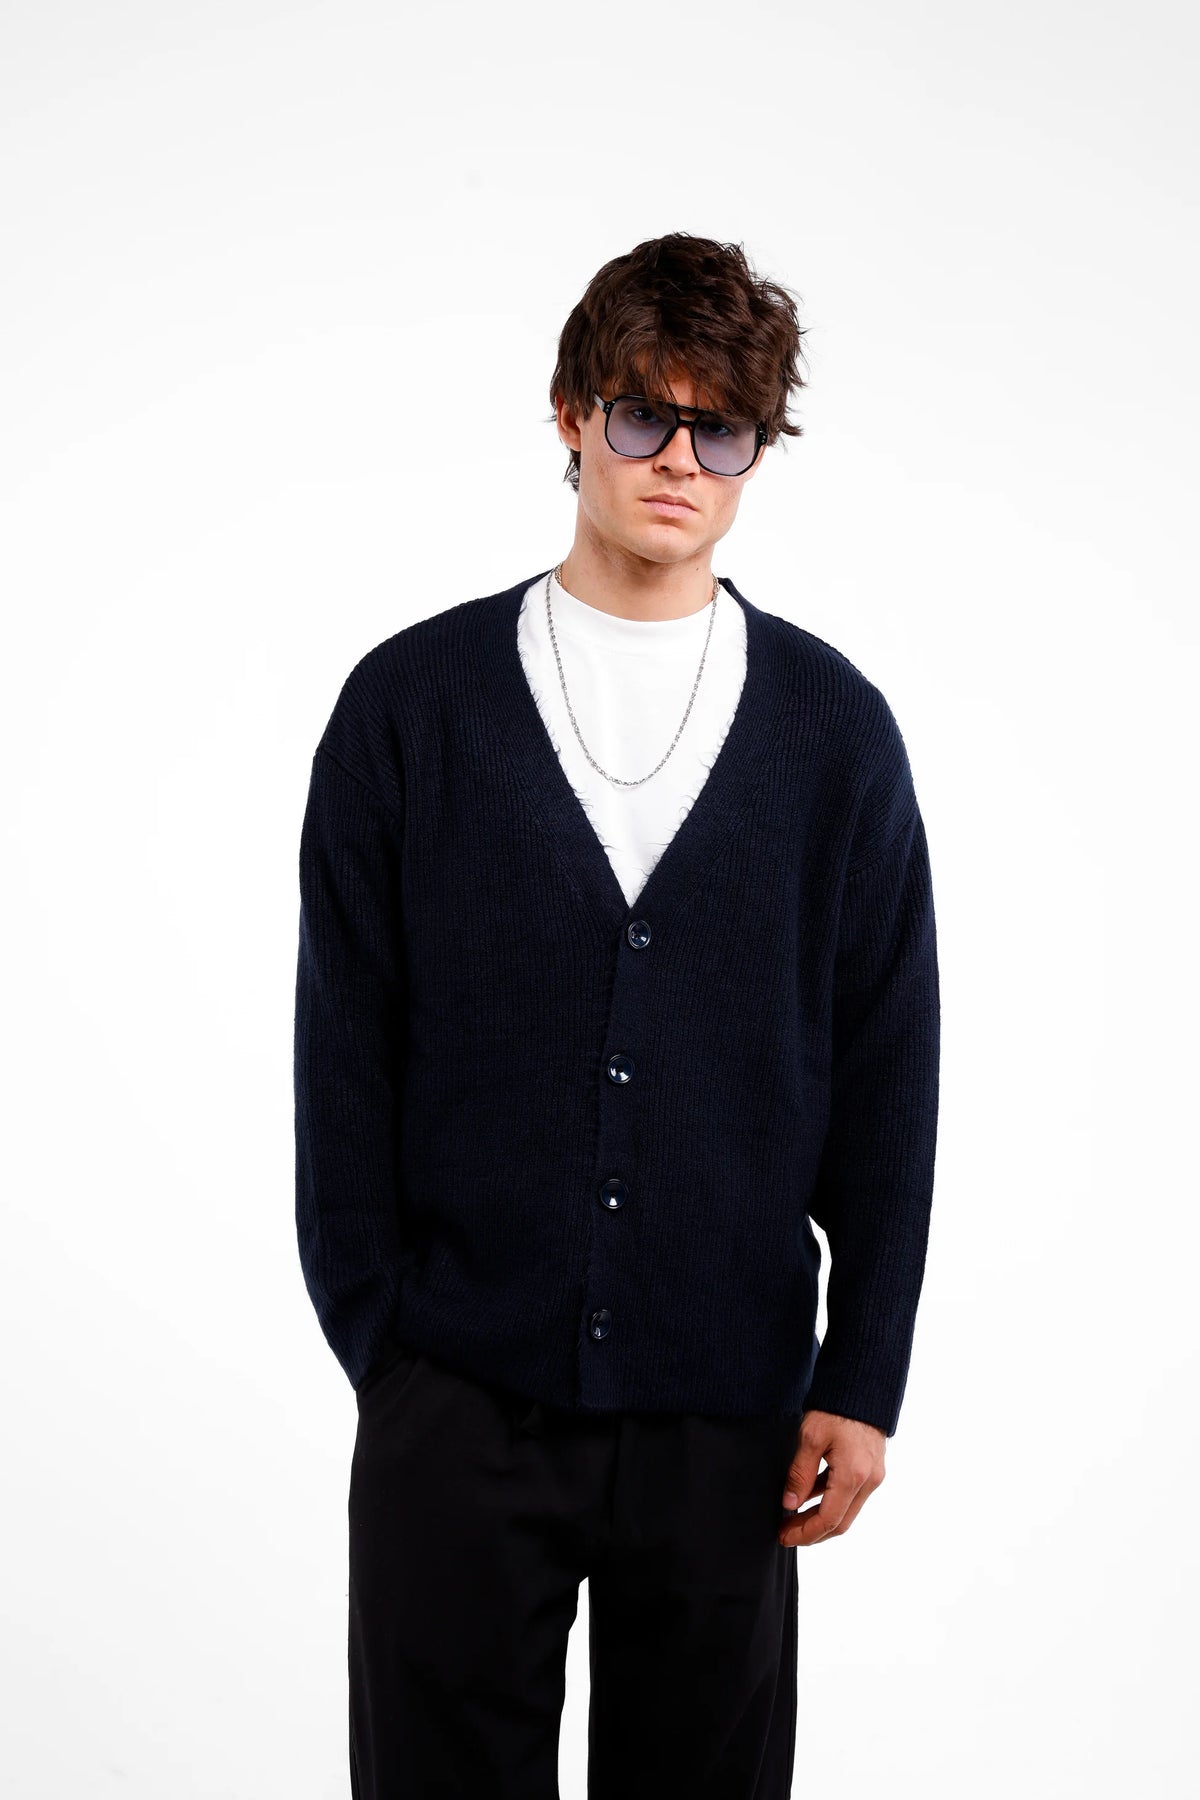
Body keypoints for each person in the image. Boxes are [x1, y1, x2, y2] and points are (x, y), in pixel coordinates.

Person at [294, 231, 941, 1799]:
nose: (678, 461)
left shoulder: (836, 736)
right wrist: (393, 1351)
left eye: (723, 430)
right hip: (460, 1395)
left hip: (729, 1413)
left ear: (757, 451)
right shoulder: (411, 709)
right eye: (645, 414)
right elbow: (344, 1054)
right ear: (573, 414)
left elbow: (889, 1075)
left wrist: (861, 1376)